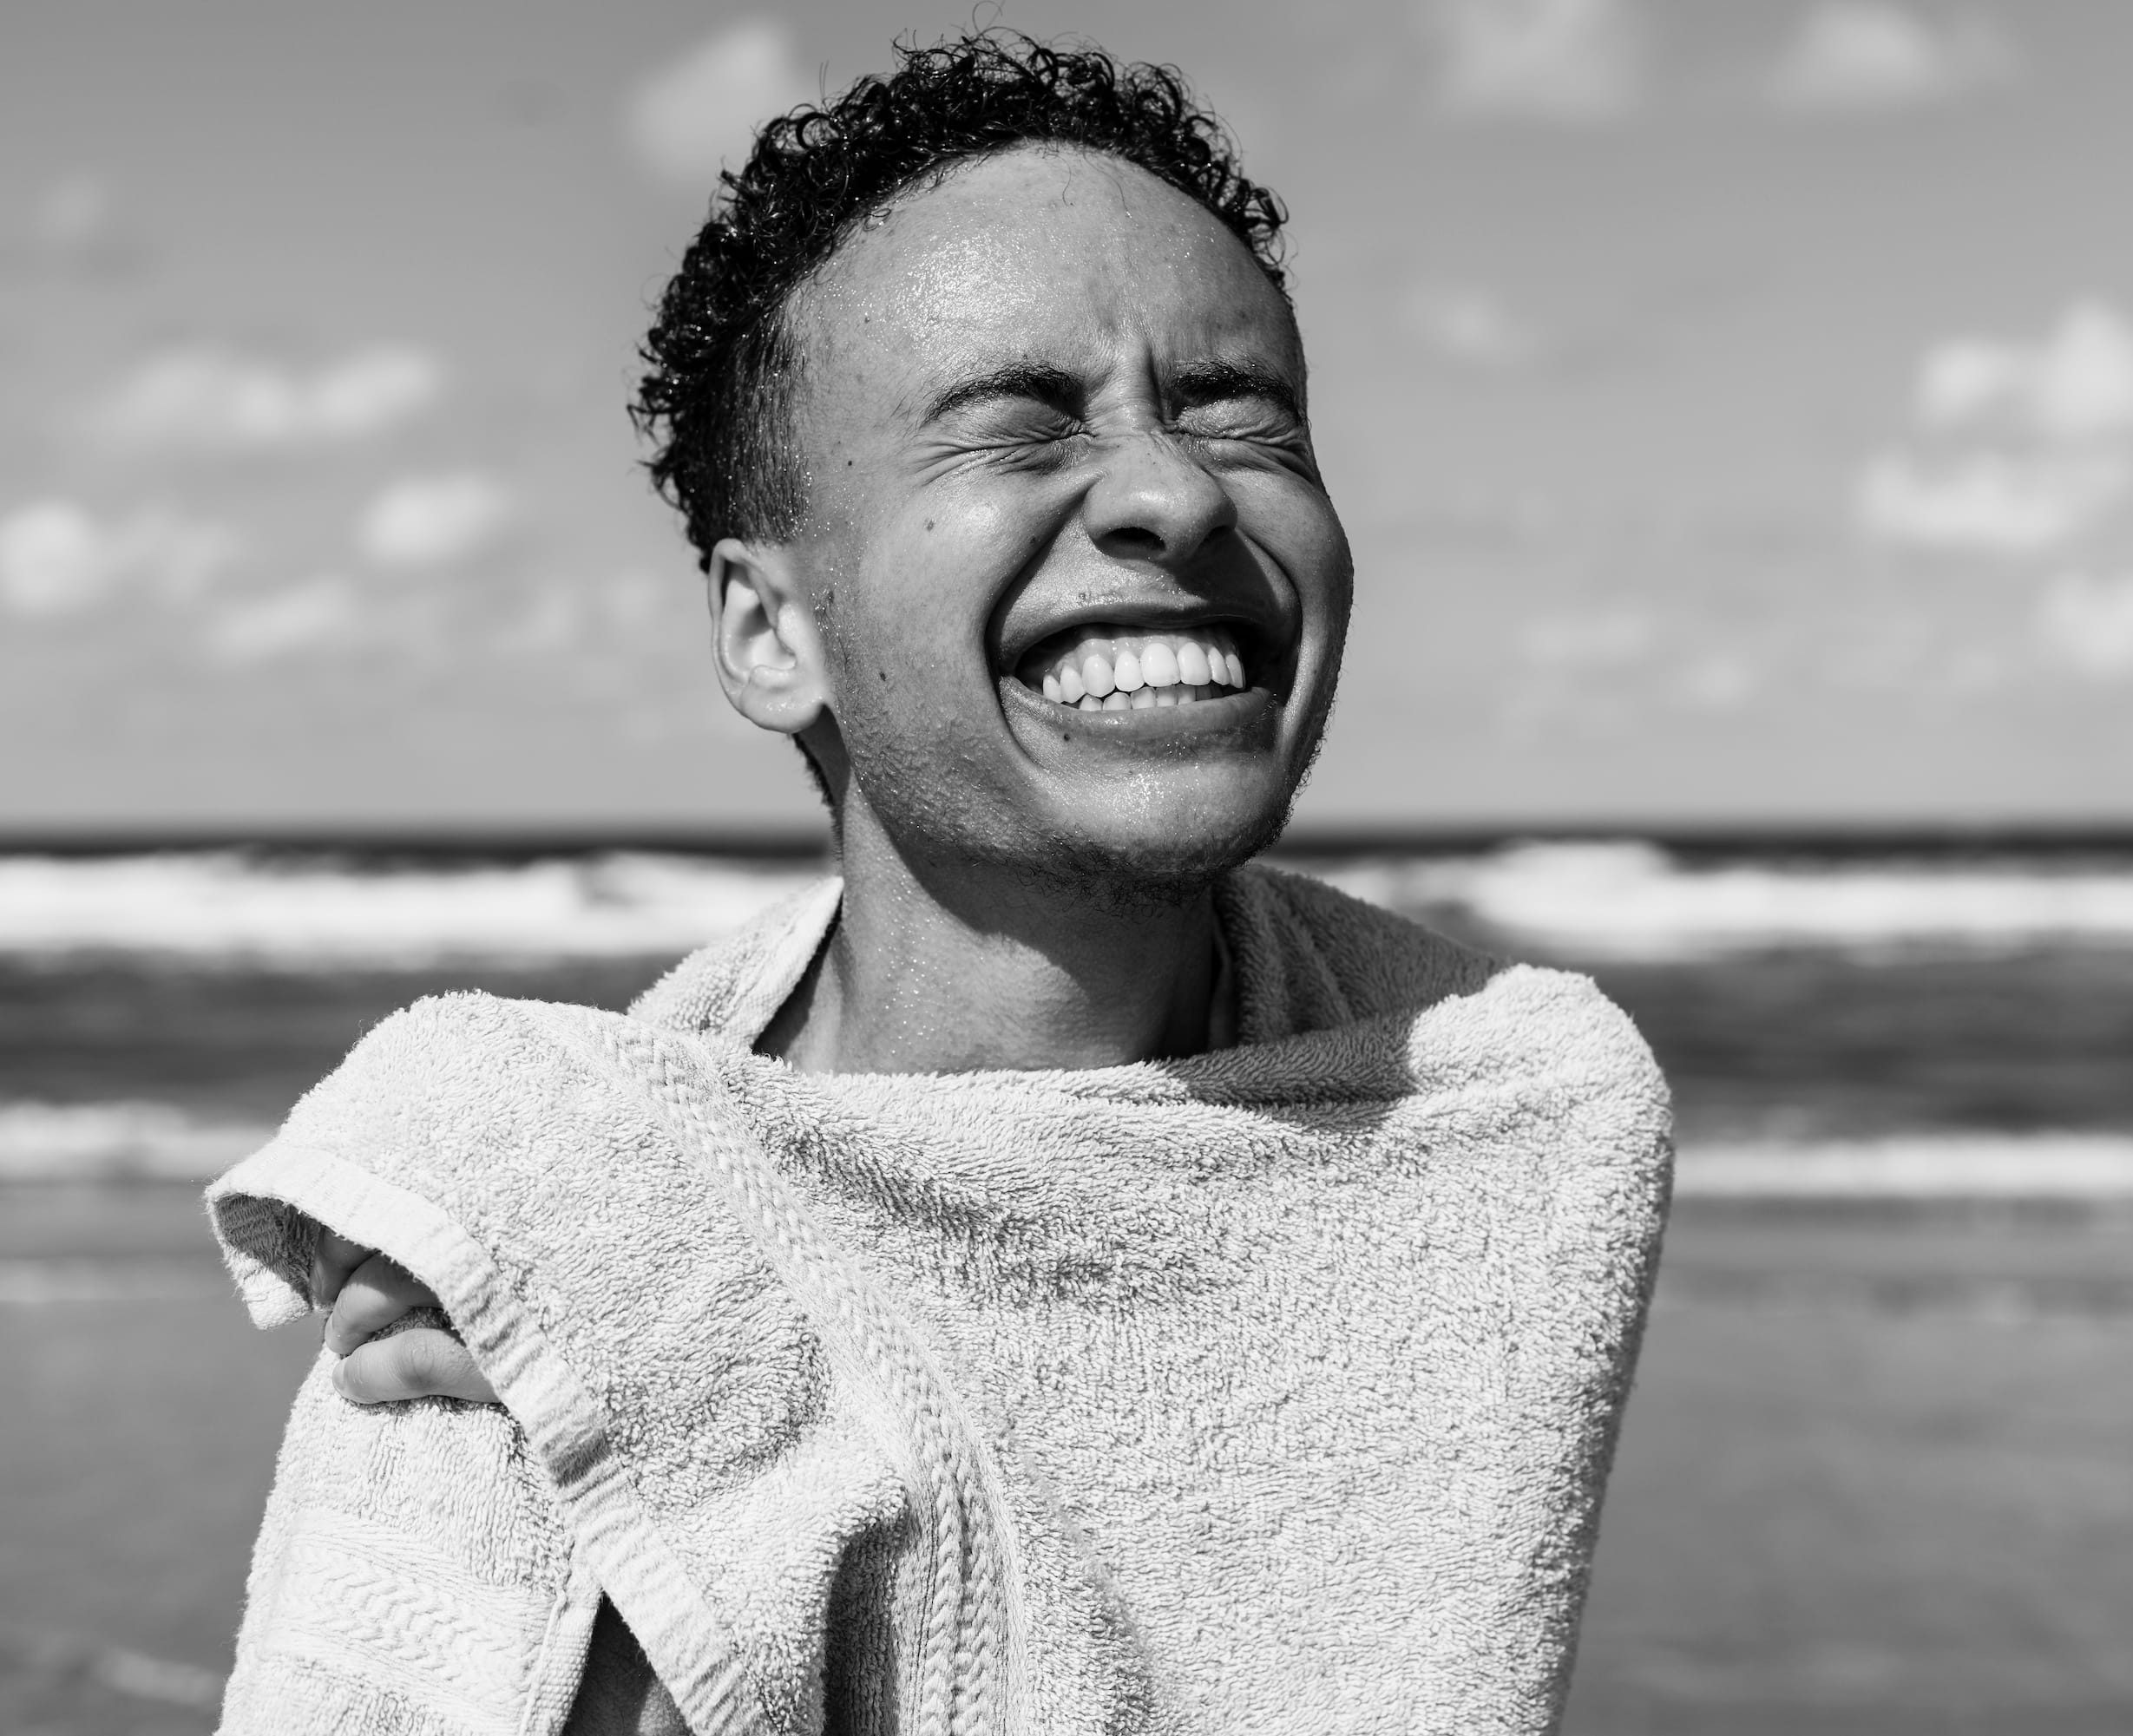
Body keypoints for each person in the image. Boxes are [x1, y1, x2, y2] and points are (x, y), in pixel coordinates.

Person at [206, 34, 1670, 1734]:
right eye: (1017, 428)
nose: (1177, 493)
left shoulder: (1510, 1113)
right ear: (772, 632)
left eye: (1240, 413)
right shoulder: (540, 1239)